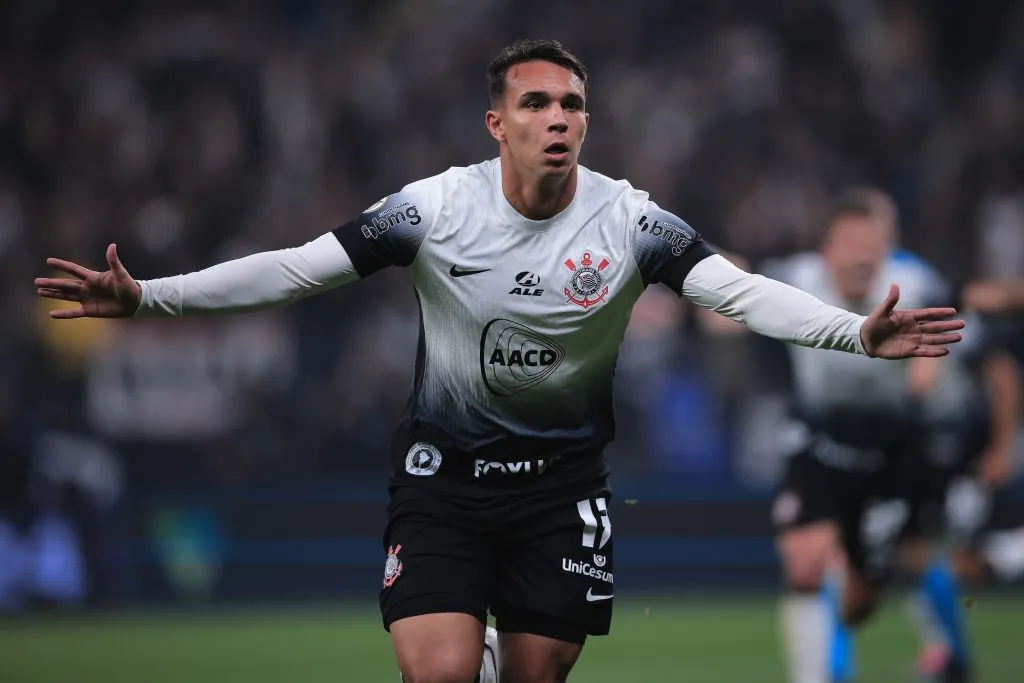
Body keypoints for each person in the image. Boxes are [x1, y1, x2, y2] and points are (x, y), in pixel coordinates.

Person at [34, 40, 964, 683]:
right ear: (496, 123)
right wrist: (152, 295)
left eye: (574, 104)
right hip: (444, 480)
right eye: (537, 103)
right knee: (434, 669)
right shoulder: (433, 209)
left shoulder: (632, 220)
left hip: (560, 491)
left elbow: (739, 291)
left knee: (537, 671)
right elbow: (295, 270)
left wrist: (855, 331)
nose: (560, 118)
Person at [761, 188, 968, 683]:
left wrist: (922, 383)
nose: (862, 254)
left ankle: (957, 658)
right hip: (819, 437)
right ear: (826, 251)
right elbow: (724, 278)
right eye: (851, 241)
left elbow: (937, 354)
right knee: (805, 562)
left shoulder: (915, 284)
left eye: (872, 242)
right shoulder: (796, 278)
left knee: (866, 595)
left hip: (891, 443)